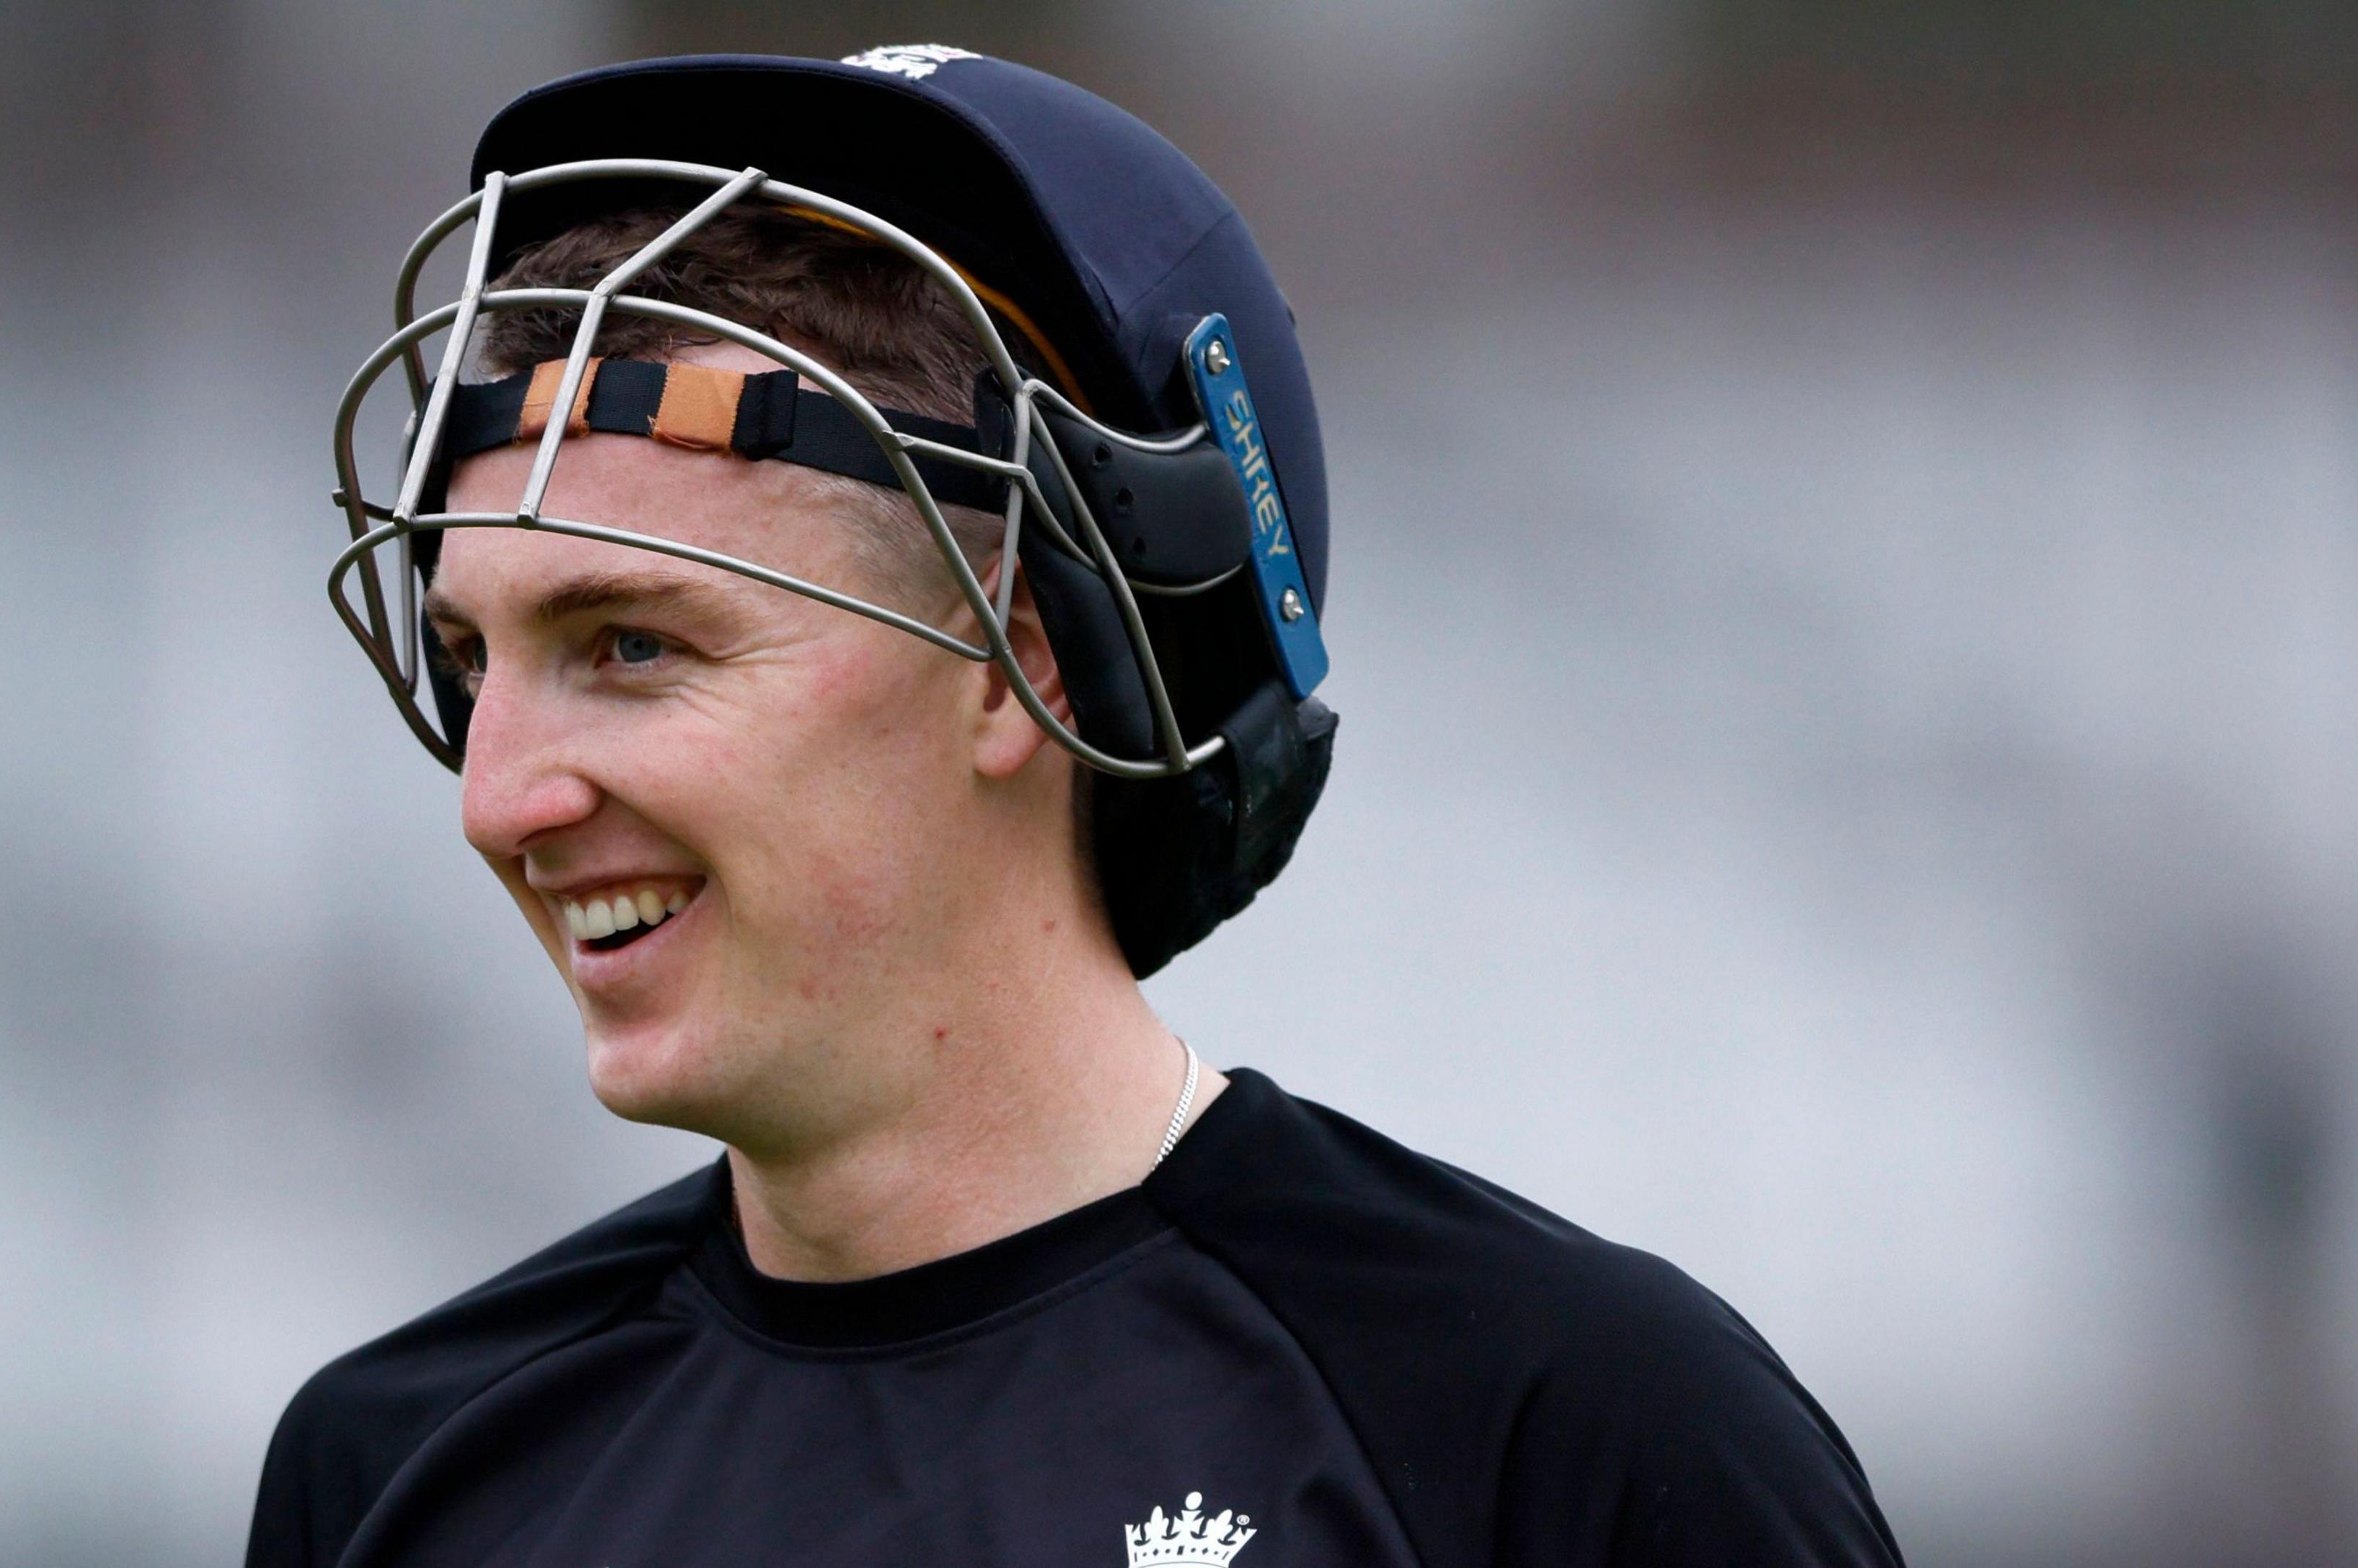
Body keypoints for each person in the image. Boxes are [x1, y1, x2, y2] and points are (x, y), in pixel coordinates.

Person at [251, 46, 1905, 1568]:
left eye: (634, 644)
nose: (498, 797)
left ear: (1010, 662)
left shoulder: (1561, 1435)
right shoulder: (396, 1473)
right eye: (474, 654)